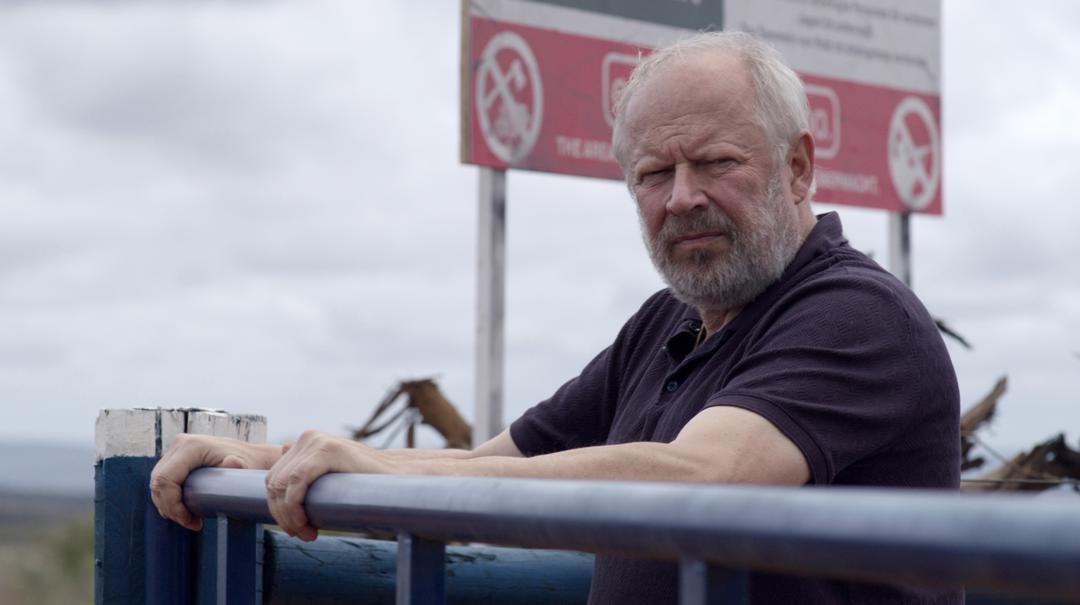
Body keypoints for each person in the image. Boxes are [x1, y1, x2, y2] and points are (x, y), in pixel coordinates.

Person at [151, 31, 961, 604]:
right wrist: (271, 460)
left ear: (798, 166)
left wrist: (373, 468)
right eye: (653, 173)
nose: (682, 197)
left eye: (715, 162)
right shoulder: (664, 324)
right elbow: (493, 464)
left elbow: (703, 477)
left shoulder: (857, 313)